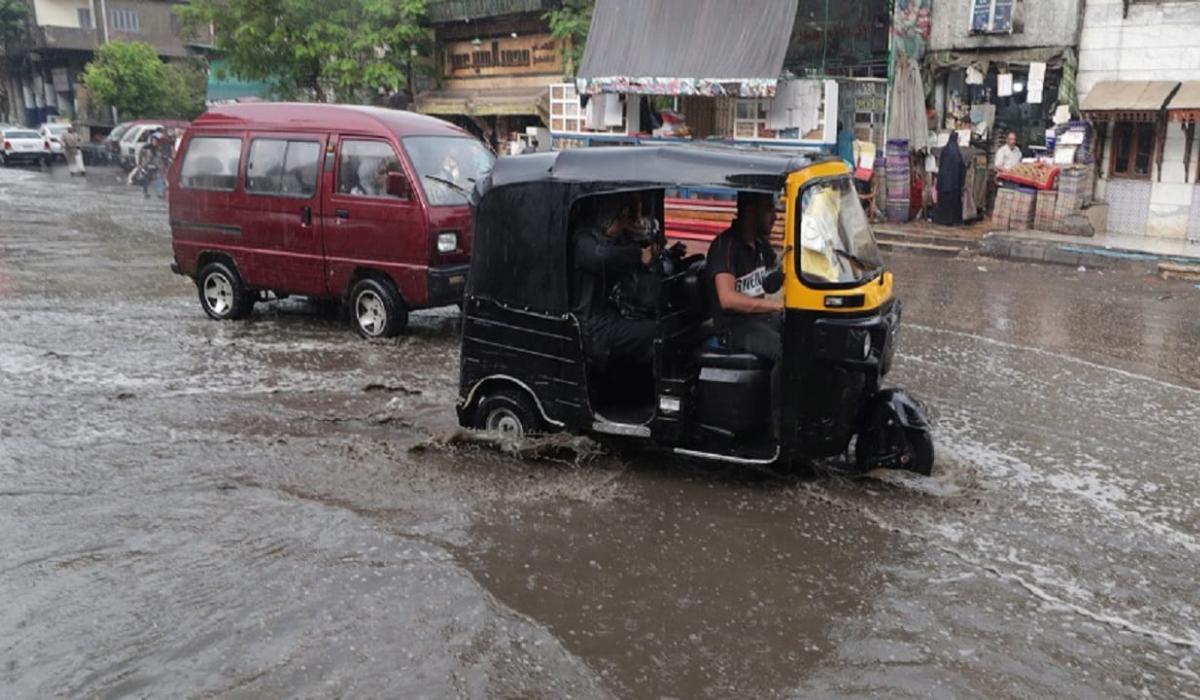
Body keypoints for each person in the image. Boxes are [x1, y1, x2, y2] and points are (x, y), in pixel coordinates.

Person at [706, 191, 784, 427]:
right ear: (750, 210)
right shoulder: (725, 246)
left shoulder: (760, 246)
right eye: (769, 209)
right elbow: (727, 299)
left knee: (802, 334)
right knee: (786, 353)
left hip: (758, 320)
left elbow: (781, 272)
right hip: (733, 327)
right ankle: (780, 426)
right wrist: (776, 306)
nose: (775, 217)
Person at [572, 194, 659, 371]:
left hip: (612, 315)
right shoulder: (583, 240)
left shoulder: (612, 239)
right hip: (594, 328)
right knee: (657, 333)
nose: (625, 223)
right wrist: (638, 255)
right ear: (608, 216)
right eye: (622, 217)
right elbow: (602, 257)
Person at [934, 131, 967, 226]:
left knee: (943, 203)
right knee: (953, 203)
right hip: (953, 184)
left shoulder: (945, 150)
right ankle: (952, 220)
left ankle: (942, 220)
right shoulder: (956, 152)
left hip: (943, 183)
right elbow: (960, 167)